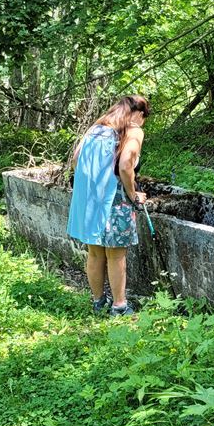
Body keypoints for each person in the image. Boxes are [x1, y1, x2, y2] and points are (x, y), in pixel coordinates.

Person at [67, 94, 150, 316]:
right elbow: (125, 166)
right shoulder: (133, 131)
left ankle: (97, 301)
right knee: (116, 255)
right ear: (139, 114)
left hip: (89, 199)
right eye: (145, 117)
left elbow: (76, 160)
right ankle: (120, 306)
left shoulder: (96, 128)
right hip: (114, 200)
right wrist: (134, 196)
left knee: (94, 253)